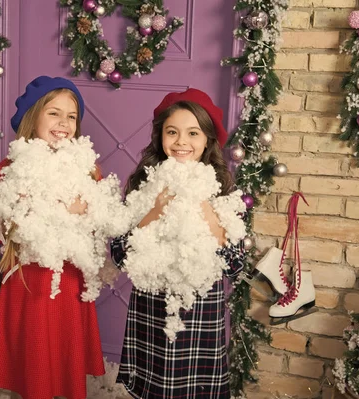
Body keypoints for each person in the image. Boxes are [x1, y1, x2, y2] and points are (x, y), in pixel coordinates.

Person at [111, 88, 245, 399]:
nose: (181, 141)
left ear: (208, 140)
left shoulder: (220, 192)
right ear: (160, 138)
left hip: (201, 313)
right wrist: (154, 212)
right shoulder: (143, 186)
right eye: (172, 132)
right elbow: (119, 255)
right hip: (152, 308)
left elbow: (235, 265)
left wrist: (210, 217)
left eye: (192, 133)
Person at [0, 76, 105, 399]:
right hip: (29, 282)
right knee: (31, 361)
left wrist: (84, 213)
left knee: (65, 359)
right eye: (54, 113)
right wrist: (22, 215)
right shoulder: (9, 170)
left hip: (69, 282)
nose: (64, 123)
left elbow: (99, 225)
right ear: (32, 116)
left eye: (72, 116)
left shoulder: (88, 170)